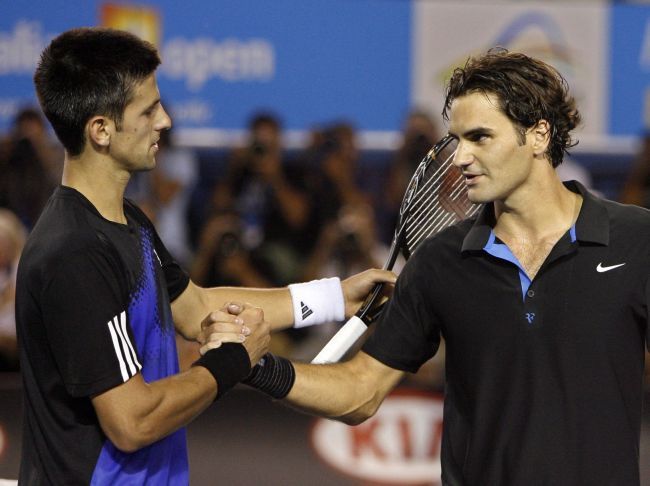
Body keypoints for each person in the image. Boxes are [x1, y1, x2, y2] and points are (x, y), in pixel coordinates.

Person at [243, 49, 650, 485]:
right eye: (457, 141)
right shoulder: (439, 261)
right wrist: (256, 365)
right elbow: (360, 392)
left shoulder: (637, 238)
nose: (459, 159)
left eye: (480, 138)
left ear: (538, 135)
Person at [16, 27, 394, 485]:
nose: (166, 122)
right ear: (101, 130)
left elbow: (196, 309)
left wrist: (335, 297)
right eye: (149, 109)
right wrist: (233, 362)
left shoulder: (125, 220)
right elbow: (132, 421)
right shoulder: (74, 252)